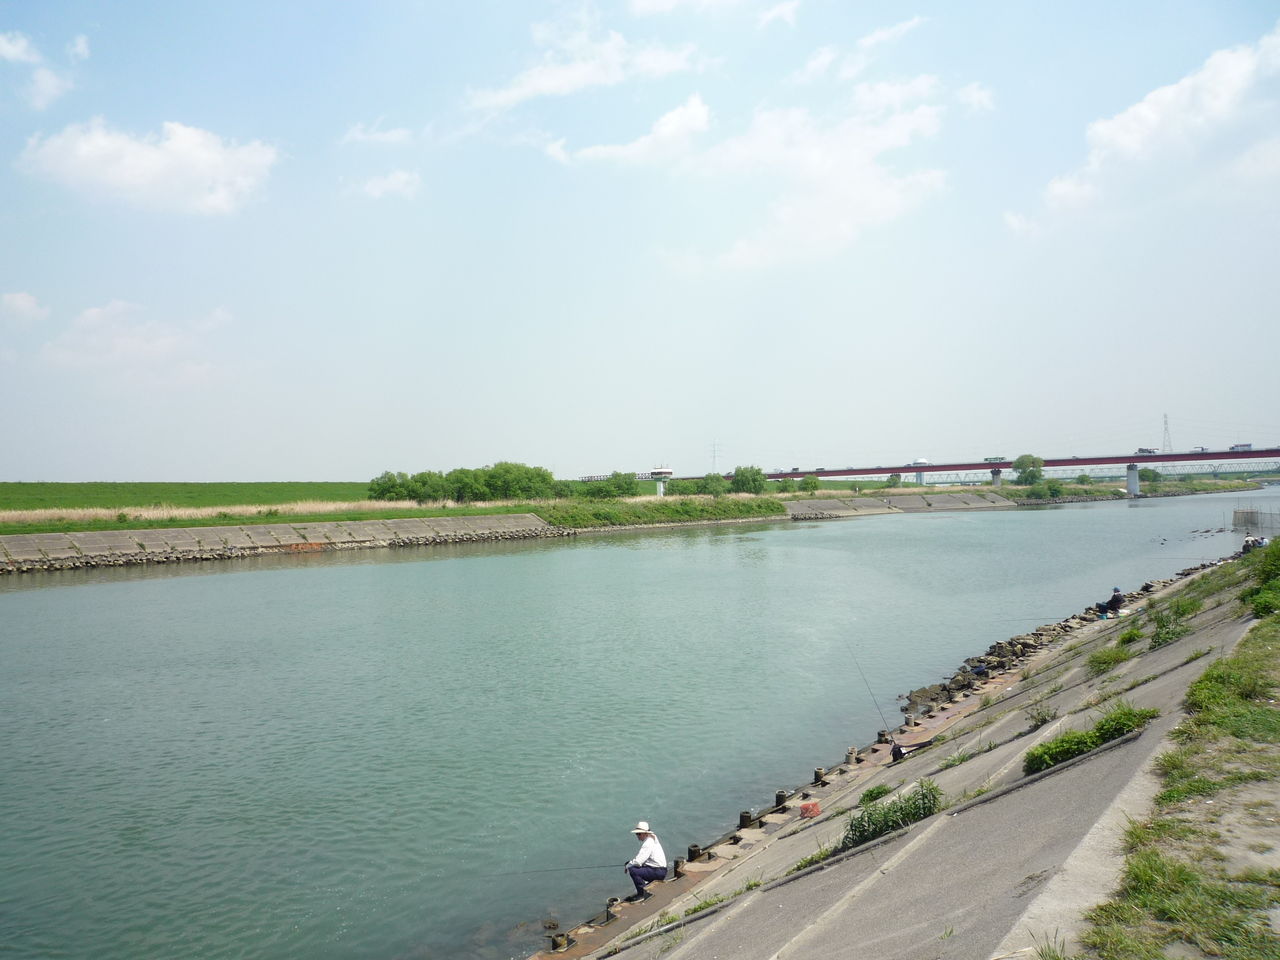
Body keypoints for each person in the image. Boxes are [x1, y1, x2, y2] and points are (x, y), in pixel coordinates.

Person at [623, 821, 667, 902]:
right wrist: (630, 863)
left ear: (645, 833)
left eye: (639, 834)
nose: (637, 836)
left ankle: (641, 894)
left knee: (633, 870)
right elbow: (641, 859)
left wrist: (628, 865)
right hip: (661, 870)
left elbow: (638, 861)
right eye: (637, 834)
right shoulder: (653, 837)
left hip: (658, 871)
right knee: (636, 867)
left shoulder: (648, 843)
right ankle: (646, 888)